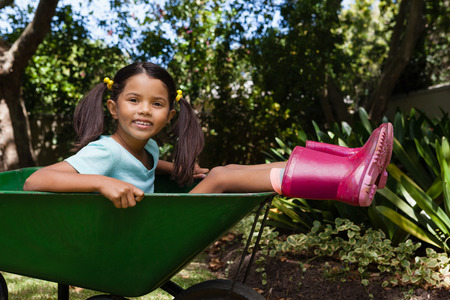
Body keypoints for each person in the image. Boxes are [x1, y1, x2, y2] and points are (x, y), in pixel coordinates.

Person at [24, 62, 393, 209]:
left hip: (147, 228)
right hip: (144, 235)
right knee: (221, 177)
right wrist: (102, 184)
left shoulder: (147, 146)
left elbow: (145, 163)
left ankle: (344, 166)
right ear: (112, 106)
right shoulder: (103, 152)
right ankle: (341, 180)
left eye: (156, 104)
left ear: (170, 114)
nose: (143, 110)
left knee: (220, 168)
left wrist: (177, 169)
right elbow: (35, 181)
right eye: (133, 100)